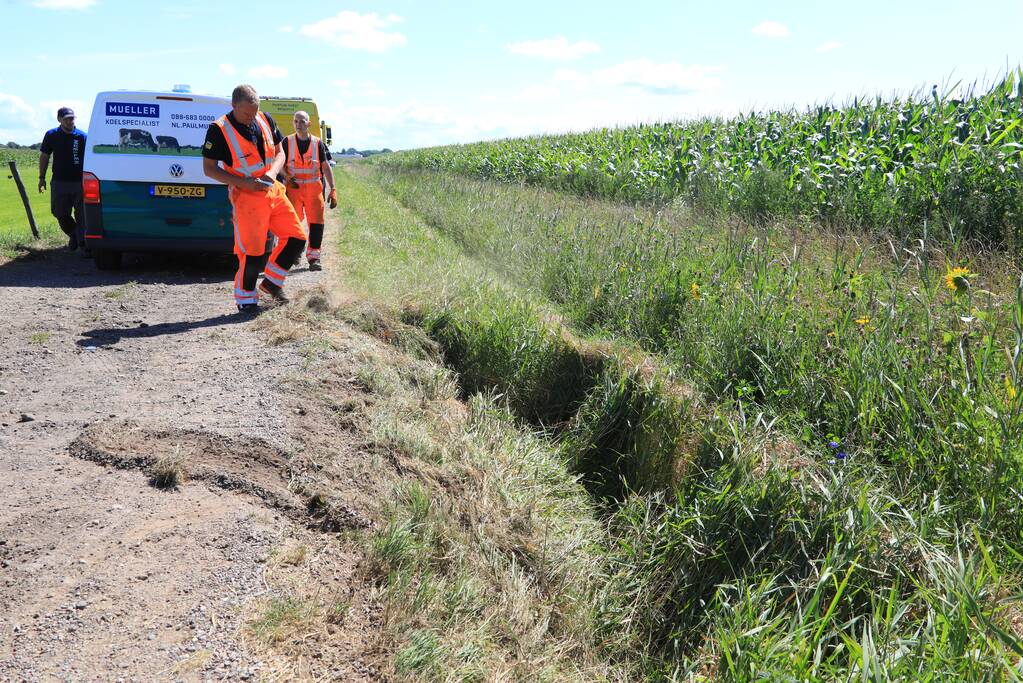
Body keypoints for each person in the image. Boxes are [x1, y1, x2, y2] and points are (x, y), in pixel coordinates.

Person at [201, 85, 306, 314]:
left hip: (273, 190)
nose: (252, 118)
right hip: (246, 196)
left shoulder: (265, 119)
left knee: (297, 238)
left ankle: (270, 284)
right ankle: (246, 300)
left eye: (255, 112)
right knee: (253, 252)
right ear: (233, 106)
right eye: (247, 113)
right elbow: (209, 169)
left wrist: (272, 173)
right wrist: (245, 183)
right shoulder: (219, 130)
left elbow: (280, 153)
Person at [280, 110, 336, 271]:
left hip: (314, 191)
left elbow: (325, 167)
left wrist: (333, 188)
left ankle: (314, 258)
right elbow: (278, 163)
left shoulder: (318, 143)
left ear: (309, 124)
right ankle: (295, 252)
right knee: (292, 224)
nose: (298, 124)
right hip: (293, 190)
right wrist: (287, 176)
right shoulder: (286, 142)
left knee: (316, 225)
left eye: (302, 121)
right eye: (296, 121)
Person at [38, 107, 87, 252]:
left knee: (82, 215)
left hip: (79, 183)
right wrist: (41, 178)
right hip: (59, 182)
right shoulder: (51, 135)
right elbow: (44, 156)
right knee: (60, 213)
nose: (70, 121)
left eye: (72, 118)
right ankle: (74, 235)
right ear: (59, 119)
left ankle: (84, 246)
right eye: (66, 118)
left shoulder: (82, 136)